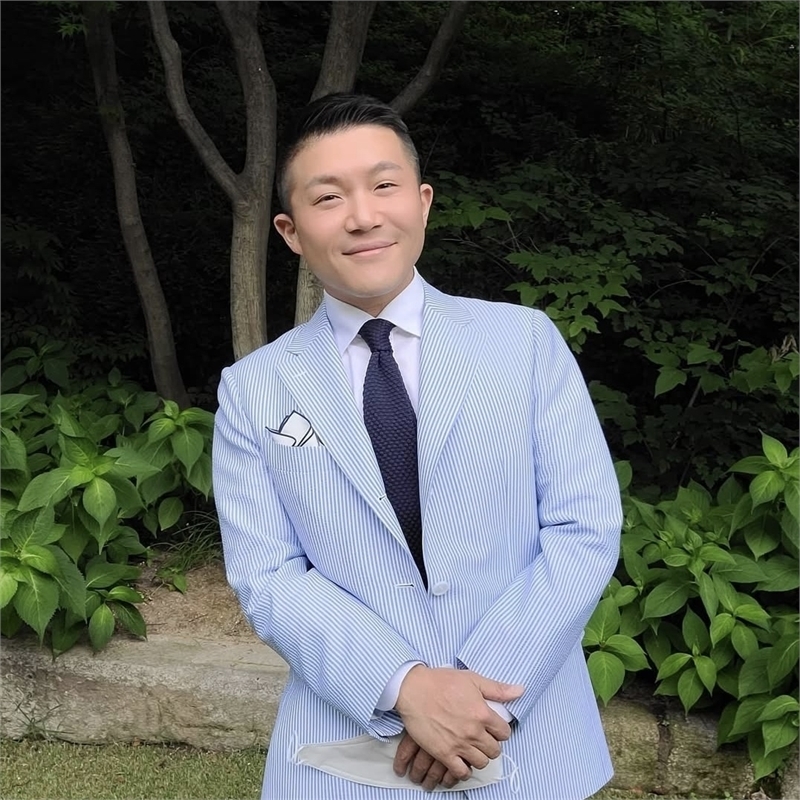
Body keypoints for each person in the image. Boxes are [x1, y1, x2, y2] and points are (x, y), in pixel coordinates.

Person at [212, 93, 623, 800]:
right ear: (290, 230)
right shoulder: (254, 389)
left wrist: (477, 702)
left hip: (527, 735)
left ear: (423, 202)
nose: (362, 216)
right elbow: (269, 575)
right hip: (349, 745)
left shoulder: (524, 343)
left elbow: (583, 528)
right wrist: (405, 686)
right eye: (328, 197)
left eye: (383, 185)